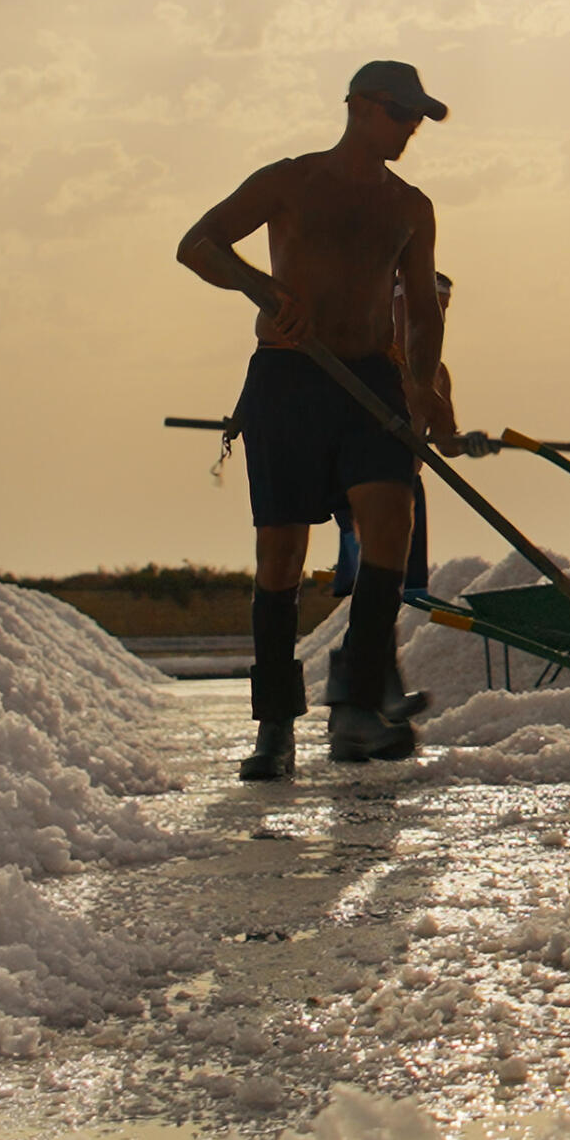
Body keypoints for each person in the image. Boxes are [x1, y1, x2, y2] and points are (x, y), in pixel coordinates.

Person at [178, 60, 456, 779]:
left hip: (370, 381)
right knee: (280, 559)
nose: (410, 129)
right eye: (400, 113)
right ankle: (275, 726)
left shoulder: (410, 206)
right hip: (288, 378)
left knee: (390, 523)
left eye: (418, 119)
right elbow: (197, 245)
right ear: (361, 107)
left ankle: (360, 701)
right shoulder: (290, 180)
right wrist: (262, 289)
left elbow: (423, 309)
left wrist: (421, 389)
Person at [323, 270, 448, 710]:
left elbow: (446, 438)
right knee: (374, 583)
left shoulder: (436, 374)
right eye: (417, 306)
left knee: (391, 591)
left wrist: (466, 442)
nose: (434, 317)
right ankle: (375, 684)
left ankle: (359, 682)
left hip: (406, 488)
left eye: (440, 309)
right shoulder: (369, 365)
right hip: (362, 492)